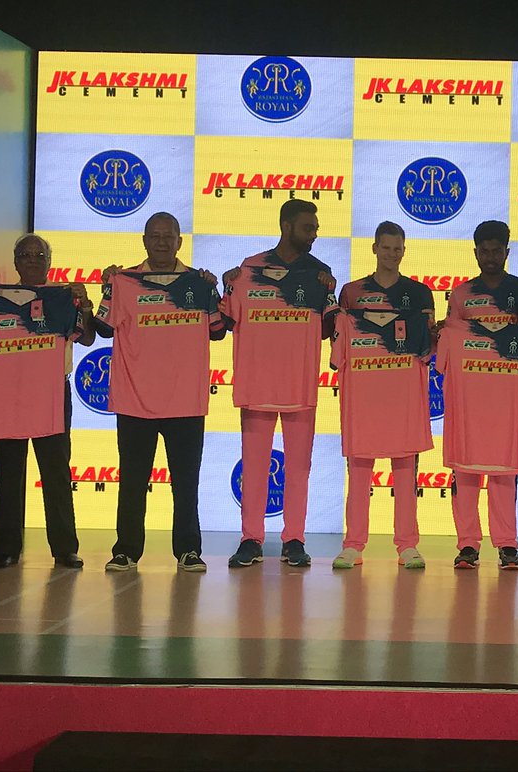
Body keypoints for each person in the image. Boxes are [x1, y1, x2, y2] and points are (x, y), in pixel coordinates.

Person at [93, 212, 226, 573]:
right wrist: (108, 285)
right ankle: (126, 551)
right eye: (156, 236)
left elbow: (218, 330)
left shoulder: (198, 284)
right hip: (135, 400)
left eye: (169, 236)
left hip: (185, 401)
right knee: (132, 482)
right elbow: (102, 329)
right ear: (144, 241)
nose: (163, 242)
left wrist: (215, 289)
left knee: (186, 484)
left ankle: (188, 550)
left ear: (180, 242)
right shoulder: (126, 282)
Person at [0, 234, 96, 568]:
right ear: (16, 261)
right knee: (9, 473)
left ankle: (64, 549)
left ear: (50, 261)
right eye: (26, 254)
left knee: (56, 473)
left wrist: (85, 304)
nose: (33, 259)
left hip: (50, 395)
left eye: (40, 254)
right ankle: (5, 549)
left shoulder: (64, 298)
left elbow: (87, 336)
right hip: (7, 396)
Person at [220, 199, 338, 569]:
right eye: (308, 227)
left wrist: (330, 291)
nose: (315, 234)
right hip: (257, 384)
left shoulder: (320, 273)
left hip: (300, 386)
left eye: (316, 228)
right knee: (254, 466)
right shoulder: (249, 269)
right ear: (286, 226)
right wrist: (225, 284)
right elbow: (222, 324)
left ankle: (295, 539)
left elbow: (328, 330)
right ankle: (251, 539)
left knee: (299, 467)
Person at [332, 220, 435, 572]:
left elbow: (428, 347)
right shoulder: (351, 293)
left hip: (403, 401)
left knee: (406, 473)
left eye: (398, 248)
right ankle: (353, 544)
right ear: (374, 248)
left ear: (404, 251)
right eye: (386, 247)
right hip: (363, 402)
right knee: (359, 473)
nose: (391, 254)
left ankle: (407, 545)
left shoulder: (420, 294)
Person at [441, 220, 518, 571]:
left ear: (507, 252)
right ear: (476, 252)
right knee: (465, 471)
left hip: (507, 402)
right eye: (485, 251)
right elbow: (449, 340)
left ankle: (507, 545)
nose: (491, 257)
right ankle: (467, 544)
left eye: (498, 251)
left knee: (503, 472)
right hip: (469, 401)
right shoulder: (462, 294)